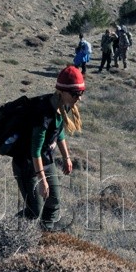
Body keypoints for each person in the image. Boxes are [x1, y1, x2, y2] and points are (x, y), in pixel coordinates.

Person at [13, 65, 85, 230]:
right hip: (27, 165)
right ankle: (8, 230)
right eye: (75, 93)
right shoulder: (43, 113)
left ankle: (45, 236)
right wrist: (41, 180)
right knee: (34, 210)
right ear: (62, 91)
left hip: (45, 161)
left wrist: (66, 157)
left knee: (53, 202)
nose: (79, 98)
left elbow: (58, 132)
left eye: (81, 93)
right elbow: (35, 150)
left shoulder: (61, 106)